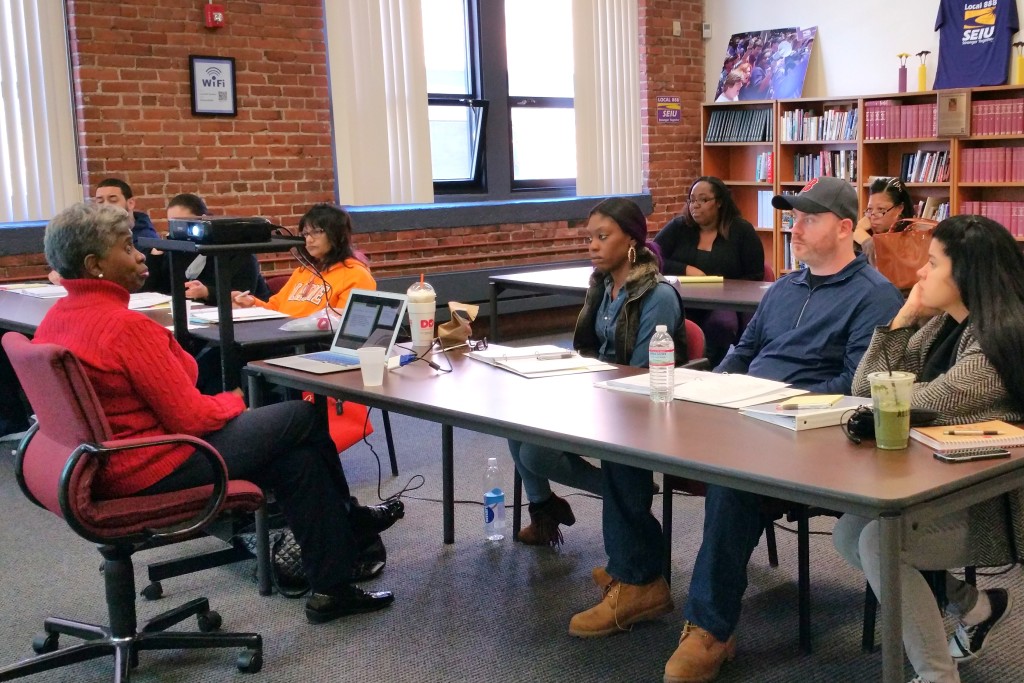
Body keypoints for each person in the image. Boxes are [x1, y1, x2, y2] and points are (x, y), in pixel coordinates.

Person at [34, 202, 403, 624]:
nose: (140, 255)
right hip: (151, 462)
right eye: (127, 247)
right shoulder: (123, 326)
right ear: (94, 264)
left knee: (297, 462)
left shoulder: (57, 318)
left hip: (100, 462)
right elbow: (192, 419)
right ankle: (352, 519)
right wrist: (235, 401)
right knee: (302, 418)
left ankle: (331, 589)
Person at [661, 177, 905, 682]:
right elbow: (744, 353)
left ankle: (710, 629)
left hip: (816, 435)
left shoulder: (874, 297)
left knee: (732, 479)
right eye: (793, 218)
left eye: (808, 219)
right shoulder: (784, 288)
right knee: (647, 439)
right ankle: (635, 579)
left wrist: (771, 402)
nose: (794, 228)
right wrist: (711, 391)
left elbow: (854, 385)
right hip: (749, 416)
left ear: (843, 228)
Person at [833, 214, 1024, 683]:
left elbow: (926, 400)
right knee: (849, 532)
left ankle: (937, 675)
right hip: (936, 484)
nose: (919, 274)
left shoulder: (998, 341)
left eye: (932, 264)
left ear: (966, 274)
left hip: (990, 502)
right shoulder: (943, 325)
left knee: (880, 541)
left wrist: (890, 393)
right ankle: (974, 606)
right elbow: (865, 387)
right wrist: (902, 319)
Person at [508, 197, 686, 555]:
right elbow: (591, 351)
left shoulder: (658, 295)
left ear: (632, 240)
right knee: (513, 422)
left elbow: (641, 375)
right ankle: (546, 513)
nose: (592, 245)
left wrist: (583, 389)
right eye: (590, 237)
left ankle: (624, 489)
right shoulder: (603, 286)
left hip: (632, 403)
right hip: (595, 389)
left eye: (602, 236)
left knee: (536, 454)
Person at [654, 176, 765, 365]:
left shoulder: (741, 230)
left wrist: (728, 288)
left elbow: (755, 275)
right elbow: (653, 257)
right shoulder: (679, 227)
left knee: (723, 324)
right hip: (684, 299)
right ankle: (680, 367)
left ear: (719, 202)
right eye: (692, 200)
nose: (695, 205)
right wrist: (686, 269)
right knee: (660, 319)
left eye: (703, 200)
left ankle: (711, 367)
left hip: (724, 302)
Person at [233, 203, 373, 316]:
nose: (309, 239)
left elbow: (342, 325)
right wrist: (251, 303)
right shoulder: (303, 271)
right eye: (305, 234)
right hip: (281, 335)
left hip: (311, 343)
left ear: (339, 234)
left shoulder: (356, 275)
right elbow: (275, 308)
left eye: (317, 232)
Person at [148, 193, 271, 305]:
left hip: (250, 315)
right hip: (199, 314)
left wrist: (207, 292)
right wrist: (156, 256)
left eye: (184, 223)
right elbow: (154, 290)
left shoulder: (235, 250)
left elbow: (241, 295)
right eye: (173, 225)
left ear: (203, 219)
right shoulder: (179, 248)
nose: (179, 230)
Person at [48, 178, 159, 286]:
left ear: (130, 203)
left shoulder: (147, 238)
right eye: (100, 201)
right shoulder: (96, 234)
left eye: (113, 200)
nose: (106, 205)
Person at [853, 177, 916, 267]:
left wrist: (866, 241)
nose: (873, 216)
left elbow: (887, 269)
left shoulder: (911, 238)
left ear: (899, 208)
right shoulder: (863, 230)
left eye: (881, 209)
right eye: (870, 209)